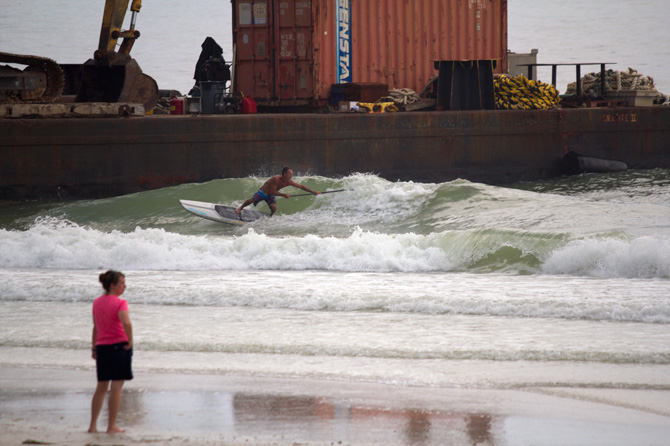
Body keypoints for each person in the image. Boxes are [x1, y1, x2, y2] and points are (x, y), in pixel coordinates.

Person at [88, 270, 133, 434]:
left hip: (102, 346)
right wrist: (131, 339)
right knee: (116, 388)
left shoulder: (97, 302)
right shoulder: (120, 303)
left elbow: (96, 327)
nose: (124, 285)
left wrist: (94, 347)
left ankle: (92, 425)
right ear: (112, 285)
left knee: (101, 387)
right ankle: (111, 426)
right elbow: (126, 322)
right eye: (121, 282)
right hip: (120, 345)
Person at [236, 167, 321, 217]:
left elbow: (301, 186)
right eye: (290, 174)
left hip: (271, 195)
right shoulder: (276, 178)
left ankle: (270, 216)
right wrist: (284, 195)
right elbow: (273, 190)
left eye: (291, 174)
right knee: (252, 200)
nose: (291, 176)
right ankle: (240, 208)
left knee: (274, 208)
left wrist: (313, 192)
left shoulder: (289, 182)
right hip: (263, 193)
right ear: (284, 174)